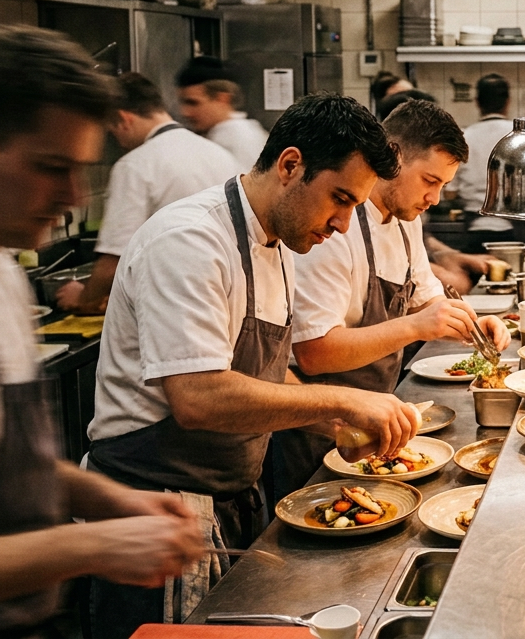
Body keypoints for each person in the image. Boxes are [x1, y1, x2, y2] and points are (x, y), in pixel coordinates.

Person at [86, 93, 420, 638]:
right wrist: (344, 397)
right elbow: (199, 397)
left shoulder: (273, 241)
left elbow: (259, 372)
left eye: (354, 206)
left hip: (229, 498)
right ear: (290, 166)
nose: (342, 224)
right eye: (339, 199)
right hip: (154, 513)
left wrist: (336, 425)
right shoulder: (190, 241)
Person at [0, 27, 203, 637]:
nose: (72, 197)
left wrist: (107, 498)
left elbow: (0, 461)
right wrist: (94, 545)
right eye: (52, 168)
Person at [280, 100, 511, 498]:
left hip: (375, 421)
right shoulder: (333, 228)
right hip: (321, 432)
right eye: (429, 180)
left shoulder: (406, 221)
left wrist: (471, 326)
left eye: (443, 185)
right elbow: (315, 352)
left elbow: (426, 300)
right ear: (394, 155)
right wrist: (416, 326)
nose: (435, 198)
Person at [56, 73, 237, 315]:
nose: (119, 142)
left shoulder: (135, 164)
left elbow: (114, 262)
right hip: (227, 300)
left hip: (174, 307)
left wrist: (83, 297)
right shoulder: (220, 154)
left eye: (113, 132)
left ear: (124, 119)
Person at [452, 73, 518, 244]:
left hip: (473, 227)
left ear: (477, 102)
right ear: (508, 102)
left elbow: (450, 192)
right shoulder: (519, 136)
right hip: (517, 229)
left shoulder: (464, 137)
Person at [177, 56, 268, 172]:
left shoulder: (239, 138)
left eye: (193, 103)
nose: (185, 113)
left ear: (222, 99)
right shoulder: (229, 133)